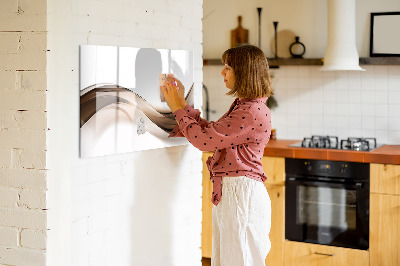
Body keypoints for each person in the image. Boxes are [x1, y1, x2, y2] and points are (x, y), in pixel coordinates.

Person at [161, 44, 273, 266]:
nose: (222, 72)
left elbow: (204, 141)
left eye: (228, 67)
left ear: (244, 72)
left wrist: (177, 108)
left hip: (241, 195)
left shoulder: (250, 111)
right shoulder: (246, 106)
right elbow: (212, 133)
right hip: (236, 193)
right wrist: (182, 104)